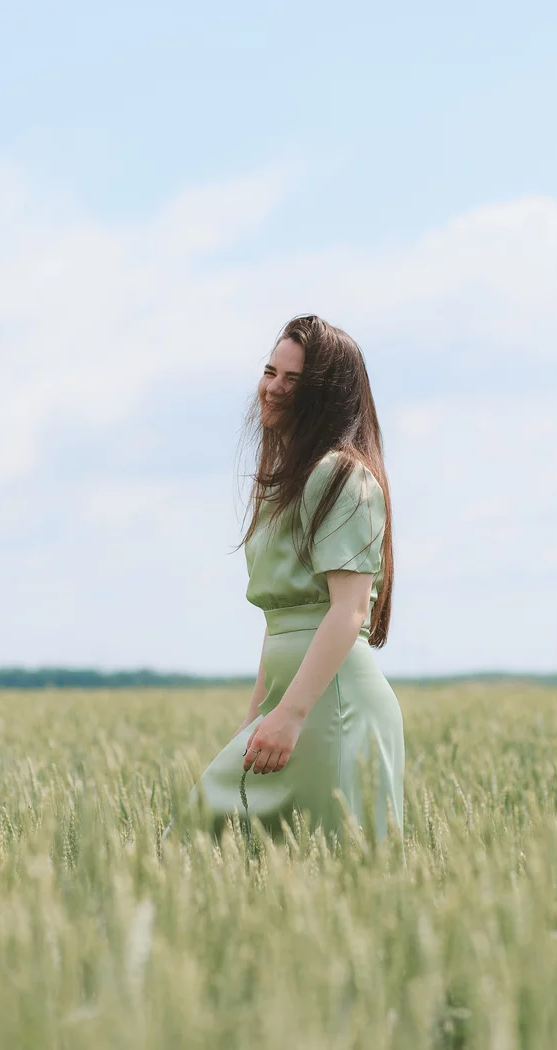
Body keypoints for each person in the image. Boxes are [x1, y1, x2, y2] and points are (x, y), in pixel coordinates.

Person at [165, 314, 405, 849]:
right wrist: (254, 719)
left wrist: (291, 714)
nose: (272, 387)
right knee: (193, 846)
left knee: (334, 878)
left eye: (291, 379)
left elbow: (347, 611)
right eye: (269, 371)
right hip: (289, 705)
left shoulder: (344, 476)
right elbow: (282, 620)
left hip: (330, 710)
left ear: (324, 394)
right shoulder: (285, 485)